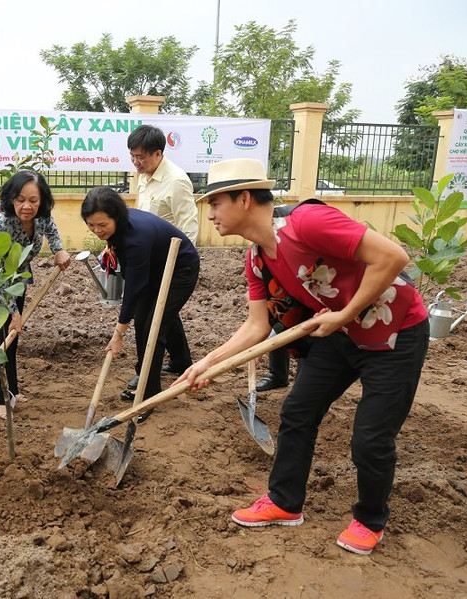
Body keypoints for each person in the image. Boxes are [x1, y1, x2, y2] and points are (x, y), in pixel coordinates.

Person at [177, 158, 430, 556]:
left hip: (396, 332)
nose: (210, 215)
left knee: (371, 436)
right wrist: (207, 362)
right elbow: (257, 326)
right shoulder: (257, 260)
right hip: (339, 333)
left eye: (215, 203)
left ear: (245, 199)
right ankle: (285, 501)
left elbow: (393, 257)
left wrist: (345, 314)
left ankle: (370, 519)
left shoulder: (307, 223)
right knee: (298, 412)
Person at [82, 187, 199, 422]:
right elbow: (133, 277)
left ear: (117, 216)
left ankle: (149, 392)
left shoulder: (136, 238)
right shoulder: (120, 229)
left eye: (102, 225)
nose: (97, 230)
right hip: (154, 269)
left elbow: (133, 289)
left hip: (180, 269)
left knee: (151, 327)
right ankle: (180, 361)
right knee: (156, 316)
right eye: (91, 225)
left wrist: (119, 333)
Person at [0, 170, 71, 419]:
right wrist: (13, 312)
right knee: (0, 343)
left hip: (18, 281)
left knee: (12, 341)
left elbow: (52, 230)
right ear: (11, 199)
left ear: (41, 201)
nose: (27, 206)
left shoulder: (41, 217)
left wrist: (58, 250)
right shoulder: (1, 226)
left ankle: (12, 390)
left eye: (33, 200)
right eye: (21, 199)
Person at [126, 125, 198, 386]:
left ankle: (146, 378)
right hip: (152, 262)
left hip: (176, 265)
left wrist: (174, 264)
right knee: (163, 311)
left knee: (151, 321)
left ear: (158, 153)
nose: (136, 162)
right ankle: (181, 361)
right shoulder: (144, 176)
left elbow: (189, 227)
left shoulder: (176, 181)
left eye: (141, 157)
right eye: (132, 156)